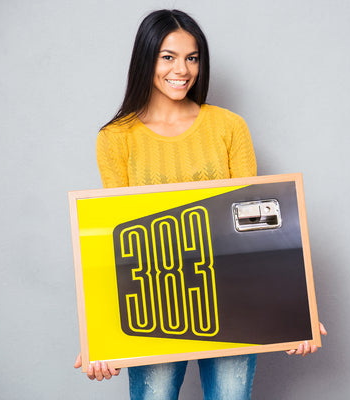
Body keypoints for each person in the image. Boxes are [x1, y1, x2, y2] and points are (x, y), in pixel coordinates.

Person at [73, 9, 327, 399]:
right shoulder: (115, 138)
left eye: (192, 57)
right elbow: (114, 239)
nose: (182, 69)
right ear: (146, 58)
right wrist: (99, 336)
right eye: (168, 56)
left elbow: (254, 228)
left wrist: (297, 310)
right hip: (156, 307)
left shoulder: (229, 127)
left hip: (234, 302)